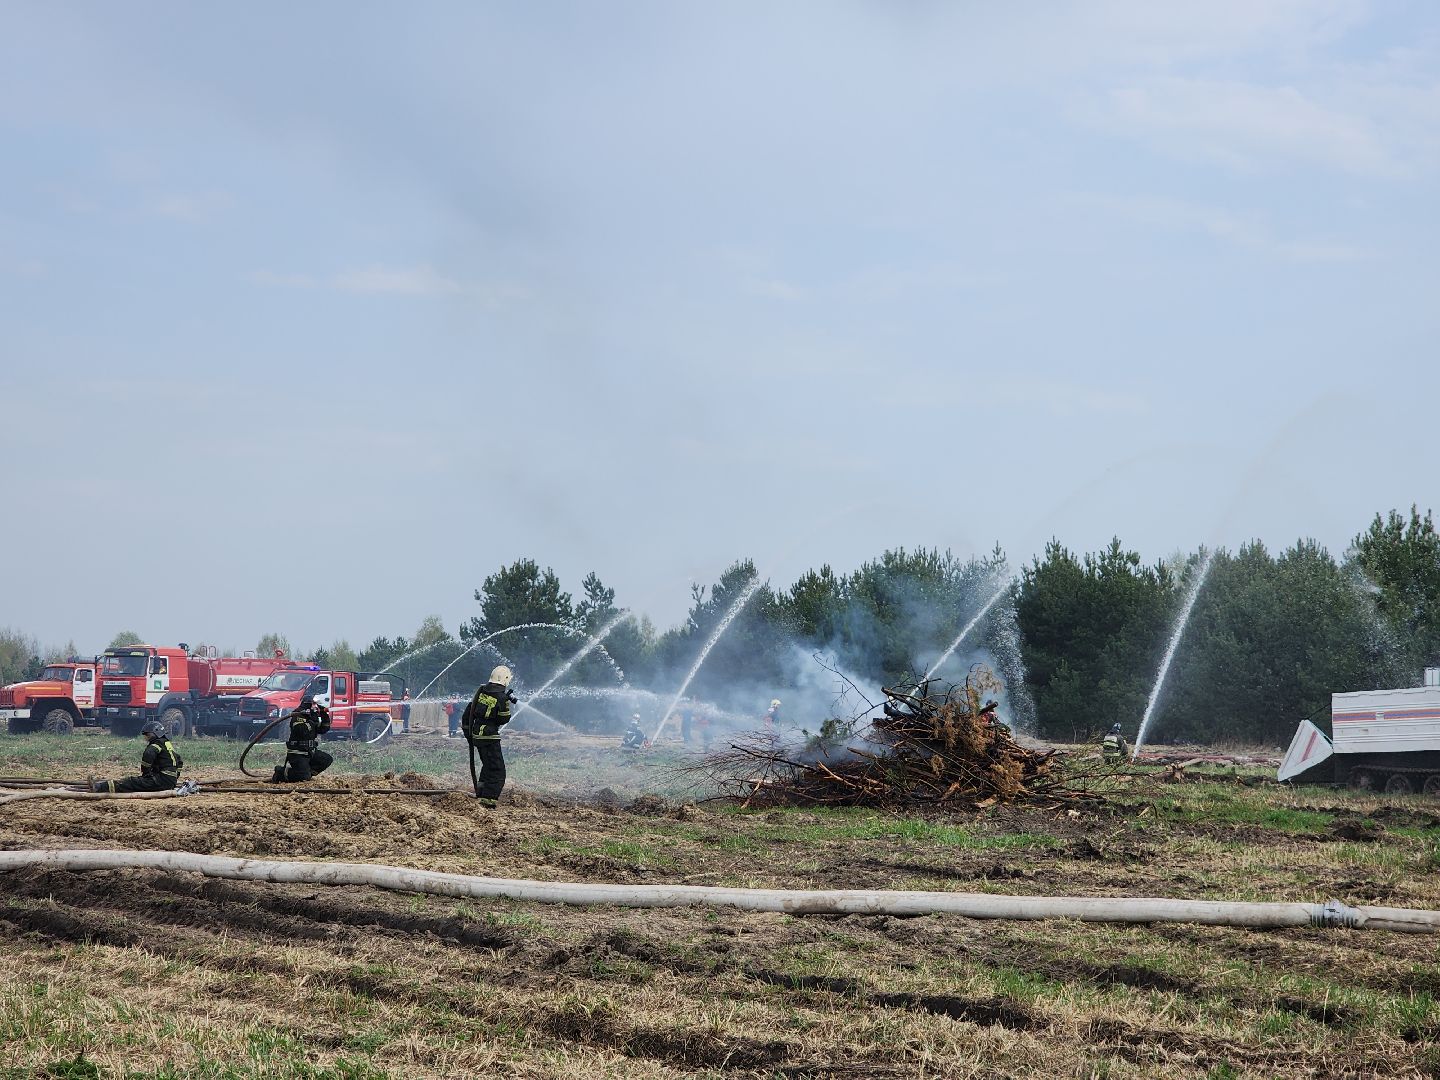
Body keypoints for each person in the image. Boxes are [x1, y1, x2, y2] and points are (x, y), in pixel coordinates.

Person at [462, 665, 517, 808]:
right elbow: (503, 719)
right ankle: (488, 800)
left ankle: (481, 792)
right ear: (505, 680)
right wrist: (505, 704)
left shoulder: (481, 693)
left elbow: (468, 713)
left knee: (488, 766)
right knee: (497, 770)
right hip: (489, 737)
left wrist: (469, 734)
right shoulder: (501, 697)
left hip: (477, 736)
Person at [91, 720, 183, 793]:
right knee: (137, 782)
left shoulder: (155, 745)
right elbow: (179, 761)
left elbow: (148, 754)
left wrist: (146, 774)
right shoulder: (167, 744)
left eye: (147, 734)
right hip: (169, 781)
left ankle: (99, 787)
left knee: (131, 782)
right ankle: (101, 786)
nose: (146, 737)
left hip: (161, 781)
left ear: (156, 733)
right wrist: (175, 777)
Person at [271, 695, 333, 782]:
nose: (316, 707)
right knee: (303, 776)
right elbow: (302, 730)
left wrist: (324, 716)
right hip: (298, 753)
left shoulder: (311, 717)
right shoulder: (298, 715)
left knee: (326, 759)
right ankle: (281, 774)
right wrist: (312, 718)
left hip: (310, 751)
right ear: (308, 705)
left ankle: (304, 773)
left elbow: (323, 730)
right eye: (314, 704)